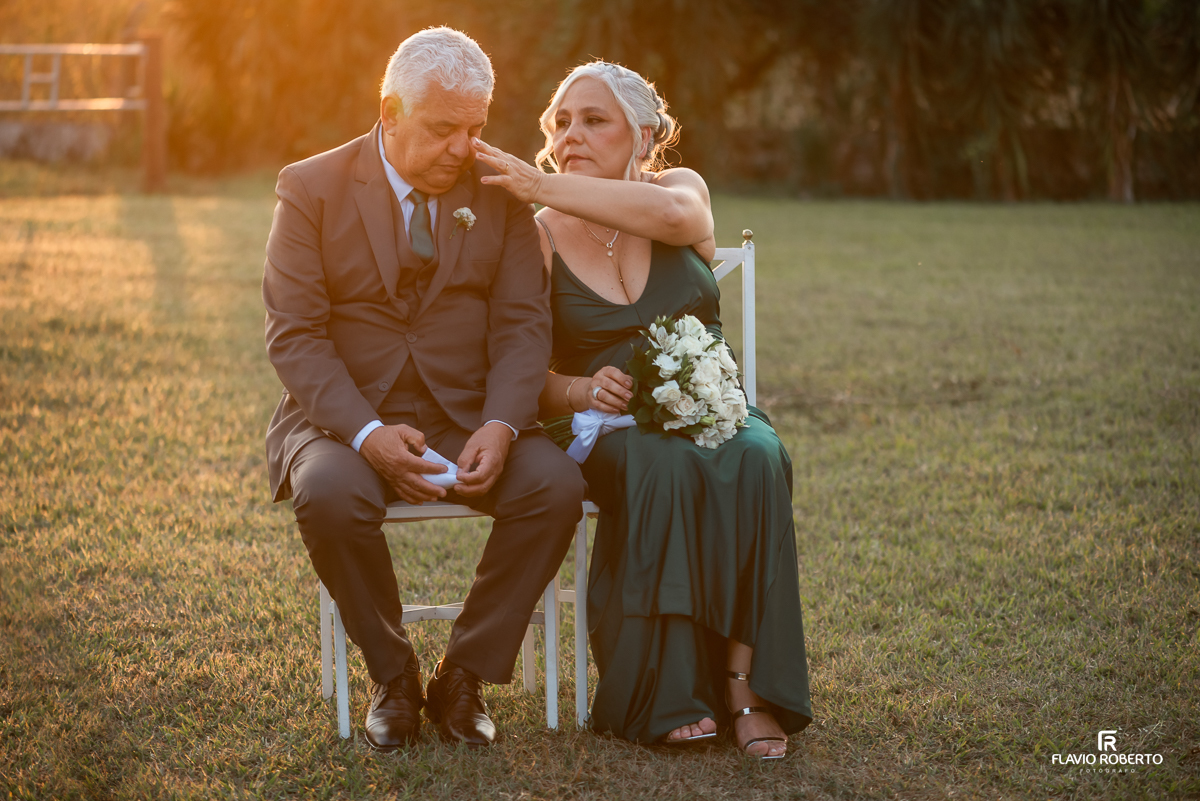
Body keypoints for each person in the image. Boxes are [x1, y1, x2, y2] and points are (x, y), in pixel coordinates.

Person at [472, 61, 812, 759]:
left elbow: (676, 219)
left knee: (759, 455)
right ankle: (667, 690)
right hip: (603, 426)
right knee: (662, 463)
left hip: (713, 408)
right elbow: (518, 369)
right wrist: (578, 389)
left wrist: (537, 182)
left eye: (594, 120)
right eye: (561, 122)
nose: (570, 135)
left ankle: (745, 685)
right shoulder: (538, 236)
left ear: (645, 135)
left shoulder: (680, 192)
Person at [262, 28, 586, 751]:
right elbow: (295, 335)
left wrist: (502, 423)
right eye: (444, 130)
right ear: (390, 111)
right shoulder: (310, 189)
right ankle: (395, 676)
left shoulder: (498, 195)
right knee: (329, 496)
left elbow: (523, 327)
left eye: (476, 129)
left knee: (554, 485)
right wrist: (366, 432)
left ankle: (463, 675)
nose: (463, 148)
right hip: (343, 422)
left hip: (466, 414)